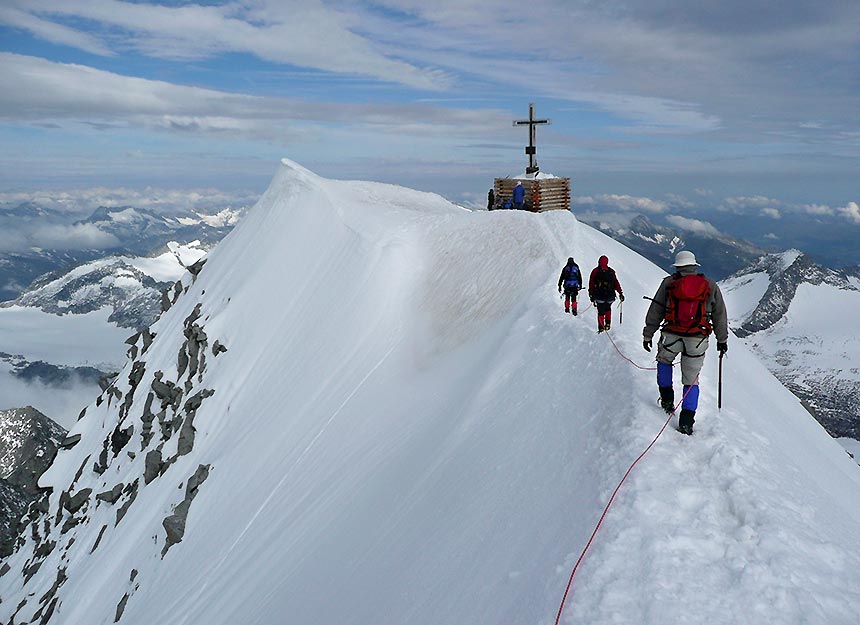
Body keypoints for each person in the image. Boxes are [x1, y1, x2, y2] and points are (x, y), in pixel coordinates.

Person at [642, 250, 728, 435]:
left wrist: (648, 333)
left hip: (671, 335)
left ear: (678, 267)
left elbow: (655, 311)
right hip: (697, 339)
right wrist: (722, 340)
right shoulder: (710, 285)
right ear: (694, 265)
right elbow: (720, 314)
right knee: (691, 379)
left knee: (664, 363)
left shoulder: (668, 283)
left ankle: (666, 401)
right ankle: (687, 421)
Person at [588, 255, 624, 332]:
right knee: (608, 308)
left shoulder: (595, 271)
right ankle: (608, 324)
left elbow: (591, 283)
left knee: (600, 311)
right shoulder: (611, 271)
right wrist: (620, 292)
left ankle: (601, 327)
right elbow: (616, 282)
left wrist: (591, 294)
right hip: (610, 296)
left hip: (599, 296)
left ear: (599, 261)